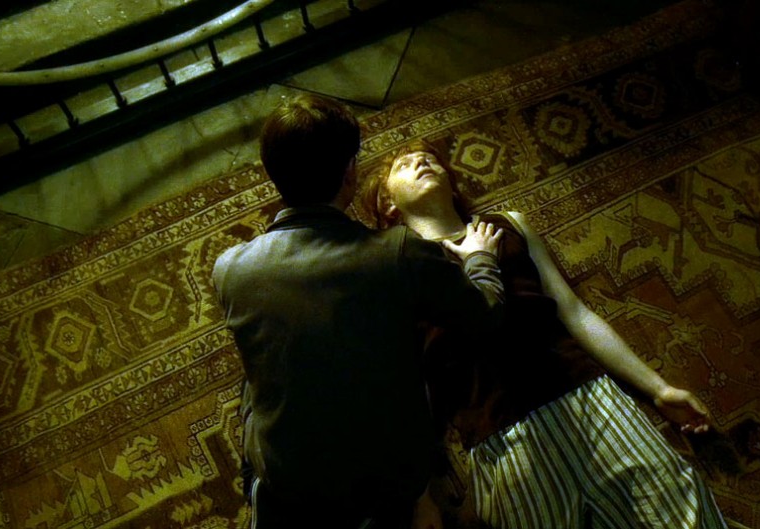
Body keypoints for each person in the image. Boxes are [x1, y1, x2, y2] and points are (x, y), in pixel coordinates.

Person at [362, 139, 729, 529]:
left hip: (588, 400)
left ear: (452, 187)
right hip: (500, 437)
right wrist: (423, 497)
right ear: (388, 204)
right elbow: (407, 386)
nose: (422, 161)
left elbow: (574, 312)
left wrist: (658, 389)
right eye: (405, 165)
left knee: (683, 516)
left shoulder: (509, 224)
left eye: (430, 159)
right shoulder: (393, 273)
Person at [212, 95, 507, 529]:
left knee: (256, 378)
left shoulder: (229, 269)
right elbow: (488, 315)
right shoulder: (398, 251)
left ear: (273, 174)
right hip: (389, 487)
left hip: (286, 484)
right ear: (350, 172)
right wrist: (480, 258)